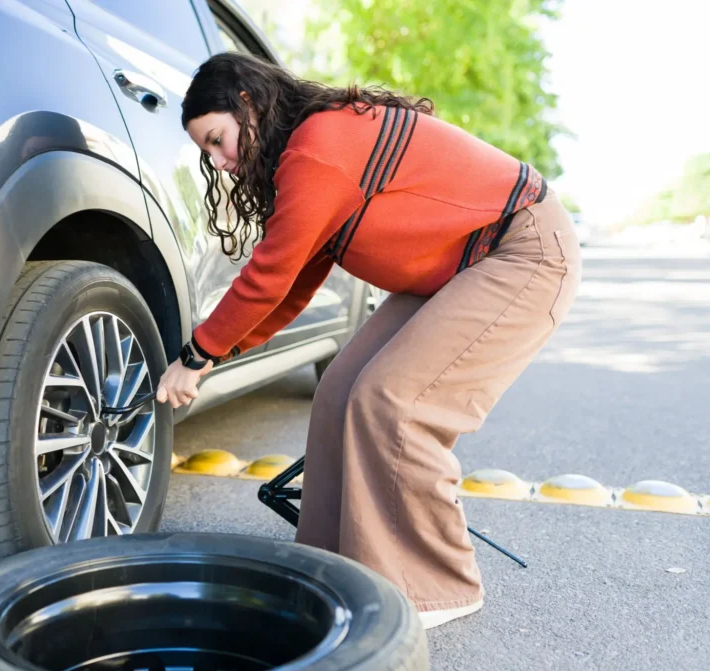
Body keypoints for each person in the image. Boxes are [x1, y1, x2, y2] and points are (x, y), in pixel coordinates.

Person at [156, 52, 581, 630]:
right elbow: (291, 289)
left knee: (393, 399)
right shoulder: (306, 156)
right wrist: (217, 355)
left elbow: (270, 274)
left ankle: (438, 586)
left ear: (248, 104)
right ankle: (332, 568)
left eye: (217, 140)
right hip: (459, 267)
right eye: (208, 152)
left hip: (521, 249)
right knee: (339, 391)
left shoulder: (317, 147)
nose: (219, 162)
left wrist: (197, 353)